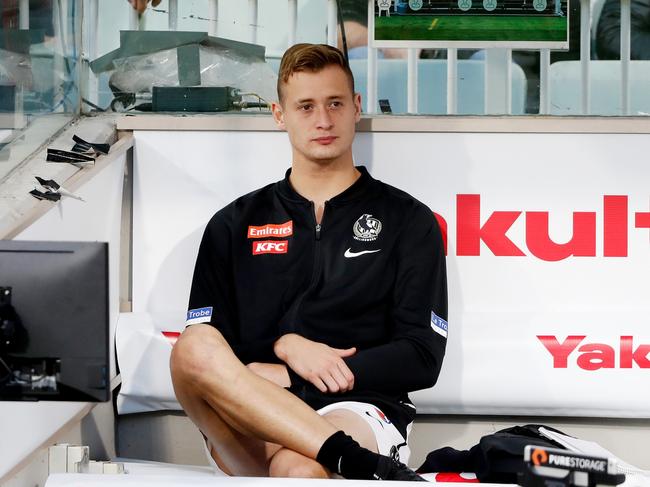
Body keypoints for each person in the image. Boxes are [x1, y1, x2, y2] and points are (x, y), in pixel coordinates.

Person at [170, 43, 448, 481]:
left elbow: (422, 356)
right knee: (193, 345)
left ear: (356, 108)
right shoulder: (233, 223)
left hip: (359, 408)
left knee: (298, 467)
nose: (323, 120)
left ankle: (341, 454)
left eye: (335, 103)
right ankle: (349, 460)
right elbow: (210, 358)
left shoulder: (408, 220)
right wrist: (286, 345)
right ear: (279, 115)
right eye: (305, 106)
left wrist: (299, 377)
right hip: (253, 410)